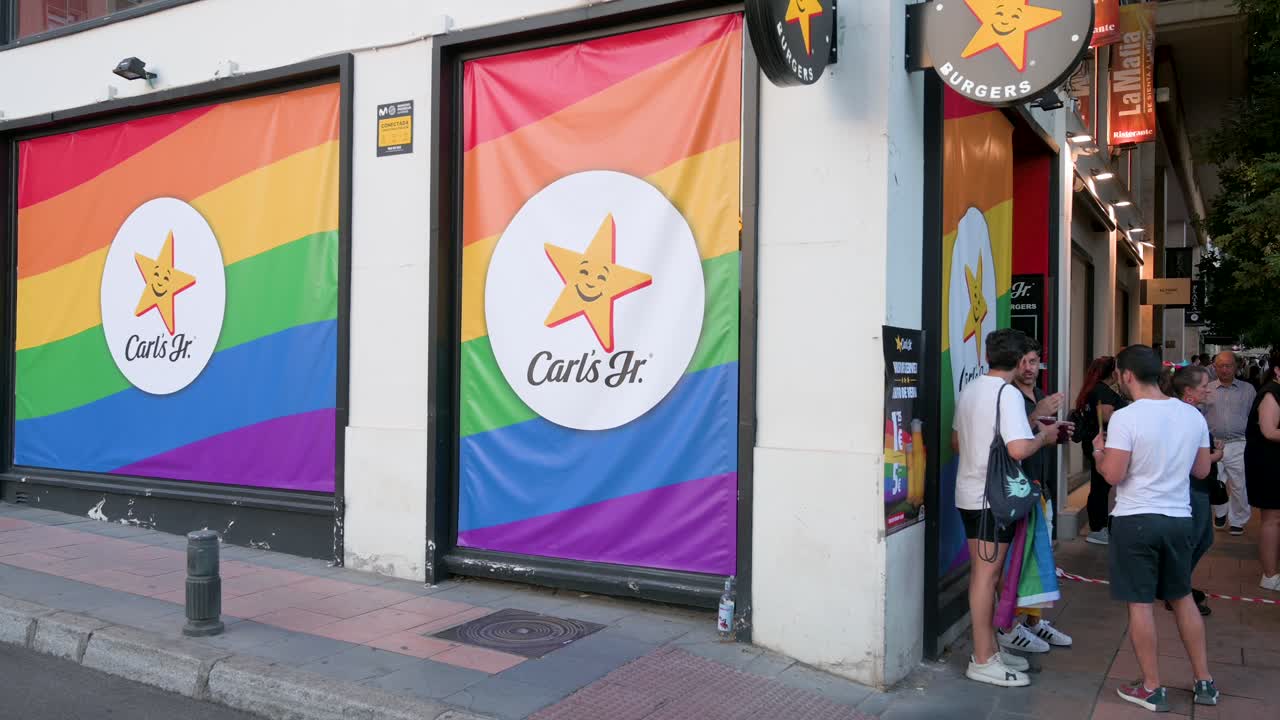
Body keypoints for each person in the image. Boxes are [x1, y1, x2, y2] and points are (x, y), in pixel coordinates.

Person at [1092, 345, 1219, 711]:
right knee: (1181, 598)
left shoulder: (1126, 418)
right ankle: (1204, 681)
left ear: (1126, 375)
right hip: (1180, 520)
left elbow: (1114, 475)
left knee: (1141, 605)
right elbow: (1201, 471)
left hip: (1136, 521)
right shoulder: (1191, 415)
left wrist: (1099, 455)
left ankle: (1151, 686)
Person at [953, 328, 1070, 687]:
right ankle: (983, 658)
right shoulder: (1006, 394)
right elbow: (1019, 449)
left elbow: (957, 442)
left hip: (971, 493)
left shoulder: (972, 389)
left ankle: (989, 651)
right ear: (1020, 361)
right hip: (992, 500)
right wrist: (1044, 437)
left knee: (983, 577)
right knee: (985, 578)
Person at [1001, 340, 1074, 652]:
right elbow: (1008, 439)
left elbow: (1037, 437)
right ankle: (1012, 626)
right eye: (1024, 362)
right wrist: (1039, 415)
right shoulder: (1009, 396)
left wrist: (1056, 432)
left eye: (1034, 362)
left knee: (1039, 560)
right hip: (1016, 489)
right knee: (1018, 561)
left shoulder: (1039, 394)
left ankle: (1033, 623)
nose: (1029, 369)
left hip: (1039, 485)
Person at [1168, 365, 1225, 615]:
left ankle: (1179, 585)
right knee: (1196, 539)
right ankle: (1177, 590)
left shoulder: (1187, 413)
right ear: (1188, 391)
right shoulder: (1188, 416)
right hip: (1193, 487)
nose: (1207, 391)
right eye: (1203, 386)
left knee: (1202, 538)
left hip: (1196, 487)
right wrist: (1216, 455)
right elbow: (1194, 463)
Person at [1072, 356, 1126, 545]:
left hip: (1094, 443)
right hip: (1101, 444)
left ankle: (1098, 526)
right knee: (1101, 487)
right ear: (1113, 372)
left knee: (1099, 486)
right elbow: (1106, 416)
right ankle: (1099, 527)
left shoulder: (1092, 389)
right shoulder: (1102, 391)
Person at [1205, 352, 1256, 535]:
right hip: (1213, 444)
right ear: (1214, 367)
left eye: (1228, 365)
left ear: (1236, 366)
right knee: (1215, 482)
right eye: (1220, 366)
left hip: (1239, 443)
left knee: (1239, 484)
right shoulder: (1207, 389)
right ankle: (1220, 512)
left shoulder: (1248, 390)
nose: (1224, 369)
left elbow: (1253, 416)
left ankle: (1238, 520)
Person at [1245, 349, 1280, 592]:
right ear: (1277, 370)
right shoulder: (1271, 394)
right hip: (1269, 464)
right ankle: (1269, 575)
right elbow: (1269, 431)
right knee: (1272, 518)